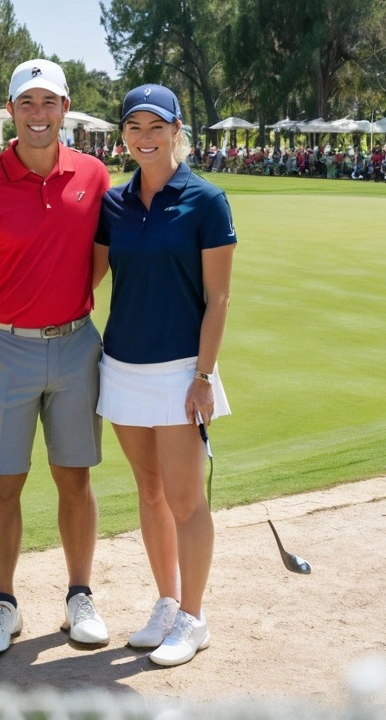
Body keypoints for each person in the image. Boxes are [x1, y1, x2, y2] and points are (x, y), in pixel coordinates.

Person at [0, 58, 112, 657]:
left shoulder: (93, 173)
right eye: (27, 104)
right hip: (4, 347)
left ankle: (79, 597)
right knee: (5, 481)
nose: (39, 115)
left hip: (76, 346)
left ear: (66, 109)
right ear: (9, 111)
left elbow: (99, 258)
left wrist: (72, 309)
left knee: (75, 477)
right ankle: (3, 606)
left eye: (49, 103)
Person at [92, 84, 236, 667]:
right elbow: (91, 279)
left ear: (178, 130)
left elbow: (219, 298)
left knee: (184, 498)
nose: (145, 138)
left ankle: (194, 618)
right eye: (135, 127)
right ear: (122, 135)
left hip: (181, 369)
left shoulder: (207, 200)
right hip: (121, 365)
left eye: (157, 126)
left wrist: (204, 374)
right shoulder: (115, 203)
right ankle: (168, 600)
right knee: (149, 492)